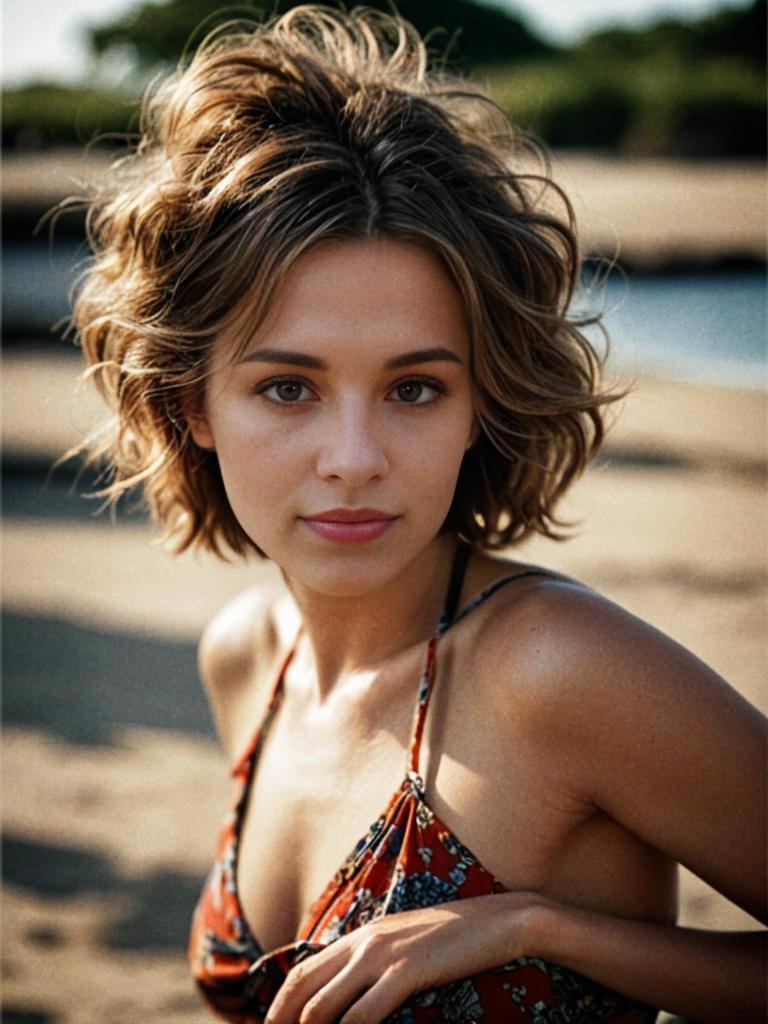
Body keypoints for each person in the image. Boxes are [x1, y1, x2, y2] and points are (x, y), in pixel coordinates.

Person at [69, 5, 766, 1023]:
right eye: (288, 388)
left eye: (414, 389)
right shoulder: (244, 659)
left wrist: (541, 927)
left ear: (479, 401)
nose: (354, 461)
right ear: (191, 403)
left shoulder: (559, 669)